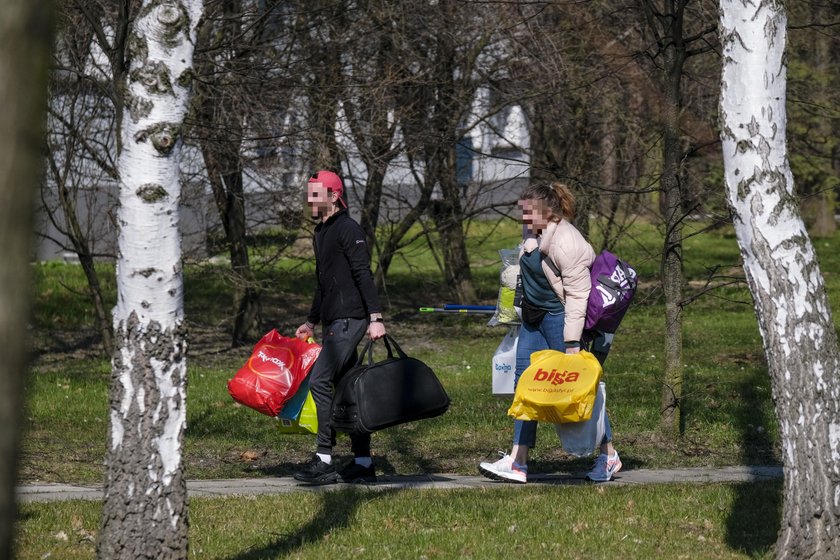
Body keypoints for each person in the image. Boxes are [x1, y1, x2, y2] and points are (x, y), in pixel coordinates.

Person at [478, 181, 622, 483]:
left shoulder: (567, 243)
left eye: (530, 213)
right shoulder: (534, 231)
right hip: (533, 319)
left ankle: (608, 455)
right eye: (523, 213)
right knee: (525, 386)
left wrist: (572, 342)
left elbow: (578, 296)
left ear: (549, 212)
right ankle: (518, 461)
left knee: (581, 388)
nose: (524, 219)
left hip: (560, 319)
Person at [292, 169, 387, 485]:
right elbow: (323, 283)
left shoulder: (348, 229)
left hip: (352, 318)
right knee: (348, 390)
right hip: (334, 320)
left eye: (315, 194)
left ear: (333, 196)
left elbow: (363, 273)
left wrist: (375, 318)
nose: (310, 200)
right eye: (308, 194)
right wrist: (310, 321)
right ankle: (362, 462)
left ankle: (324, 458)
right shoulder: (320, 232)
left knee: (320, 380)